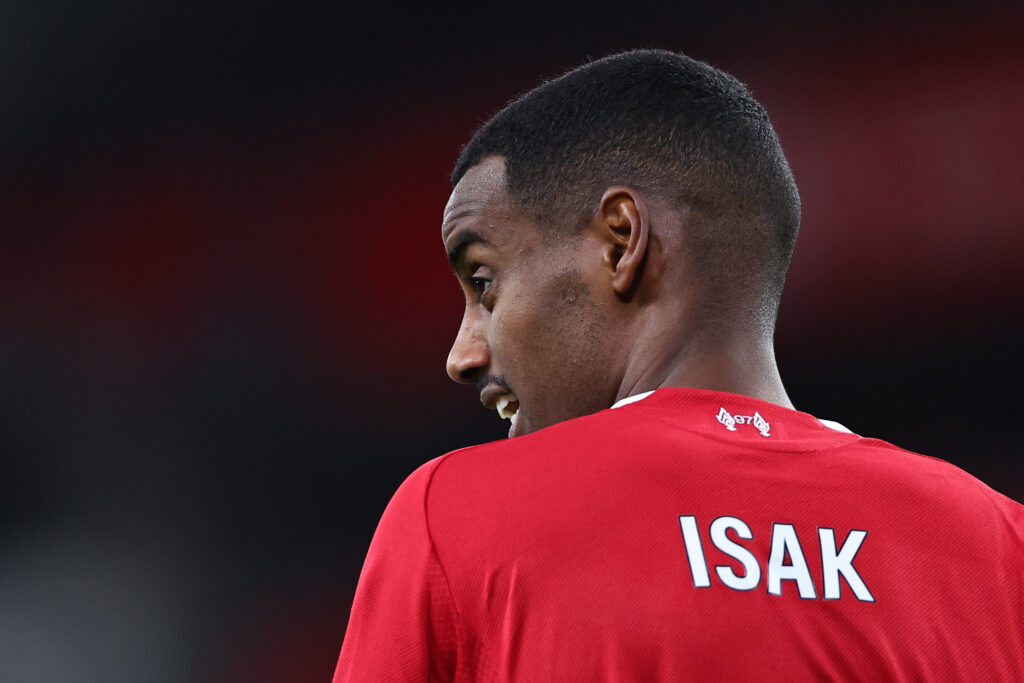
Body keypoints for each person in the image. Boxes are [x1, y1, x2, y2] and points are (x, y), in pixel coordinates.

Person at [333, 50, 1024, 681]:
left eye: (485, 284)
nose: (463, 355)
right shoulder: (1000, 551)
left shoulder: (459, 516)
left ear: (620, 243)